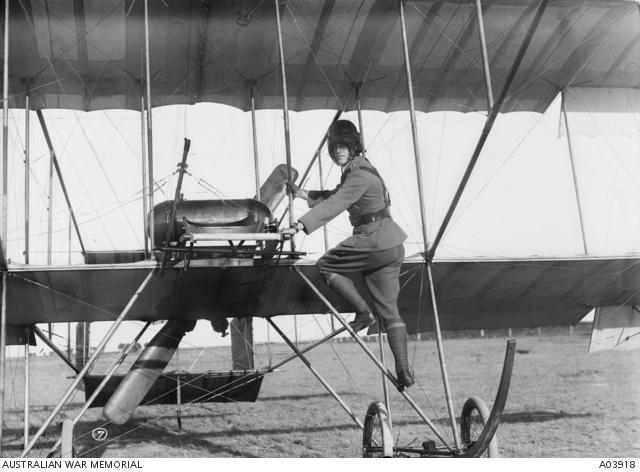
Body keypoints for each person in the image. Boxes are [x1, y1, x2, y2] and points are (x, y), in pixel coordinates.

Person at [285, 119, 414, 389]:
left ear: (353, 146)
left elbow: (336, 203)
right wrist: (301, 194)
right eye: (335, 149)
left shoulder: (358, 174)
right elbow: (334, 195)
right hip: (392, 246)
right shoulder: (363, 171)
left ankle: (363, 313)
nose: (338, 152)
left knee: (326, 265)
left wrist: (300, 225)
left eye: (343, 147)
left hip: (373, 238)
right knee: (391, 313)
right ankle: (404, 370)